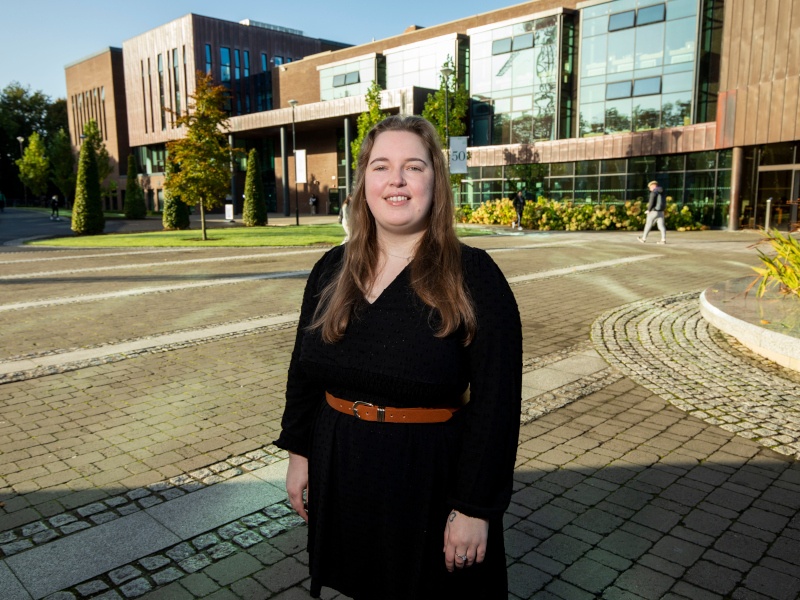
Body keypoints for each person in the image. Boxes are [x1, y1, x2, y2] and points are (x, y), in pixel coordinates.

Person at [276, 115, 522, 599]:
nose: (396, 180)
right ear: (363, 180)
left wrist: (475, 508)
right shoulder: (332, 268)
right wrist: (299, 453)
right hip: (342, 467)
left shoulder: (474, 275)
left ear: (436, 181)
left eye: (414, 167)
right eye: (381, 166)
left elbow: (497, 404)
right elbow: (303, 372)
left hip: (427, 480)